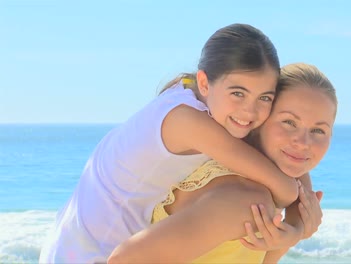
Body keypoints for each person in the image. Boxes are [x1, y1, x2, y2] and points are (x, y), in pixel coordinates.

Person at [39, 24, 300, 263]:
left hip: (73, 239)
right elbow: (284, 188)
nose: (249, 112)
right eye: (238, 93)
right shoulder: (188, 122)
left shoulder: (188, 93)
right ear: (204, 83)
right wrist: (295, 229)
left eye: (264, 98)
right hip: (87, 253)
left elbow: (283, 165)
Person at [108, 62, 338, 263]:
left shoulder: (269, 186)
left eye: (319, 130)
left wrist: (296, 227)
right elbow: (124, 260)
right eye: (289, 122)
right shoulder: (244, 200)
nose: (303, 142)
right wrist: (296, 227)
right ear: (260, 118)